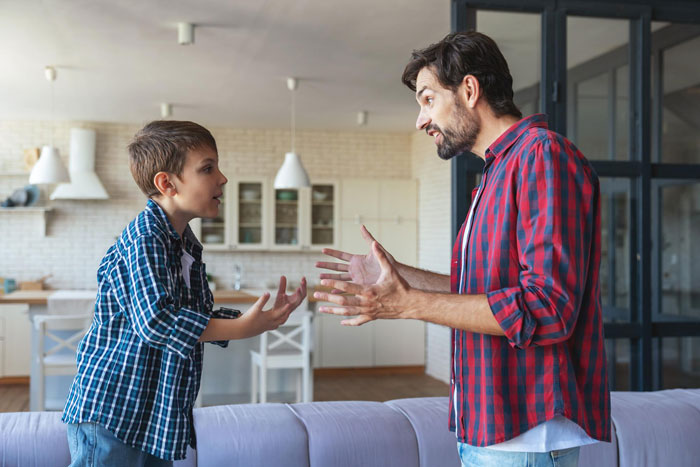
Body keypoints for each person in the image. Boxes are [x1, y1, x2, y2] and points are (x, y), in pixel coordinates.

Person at [316, 32, 610, 466]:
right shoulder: (496, 172)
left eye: (428, 99)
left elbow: (546, 308)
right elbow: (484, 290)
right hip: (491, 427)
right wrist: (400, 277)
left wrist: (409, 305)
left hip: (525, 437)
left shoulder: (542, 157)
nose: (420, 120)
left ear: (469, 90)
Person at [62, 120, 307, 466]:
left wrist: (256, 320)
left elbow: (189, 316)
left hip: (152, 417)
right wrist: (241, 329)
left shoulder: (184, 243)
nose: (222, 178)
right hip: (114, 414)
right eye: (208, 168)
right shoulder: (147, 237)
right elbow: (157, 321)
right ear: (167, 183)